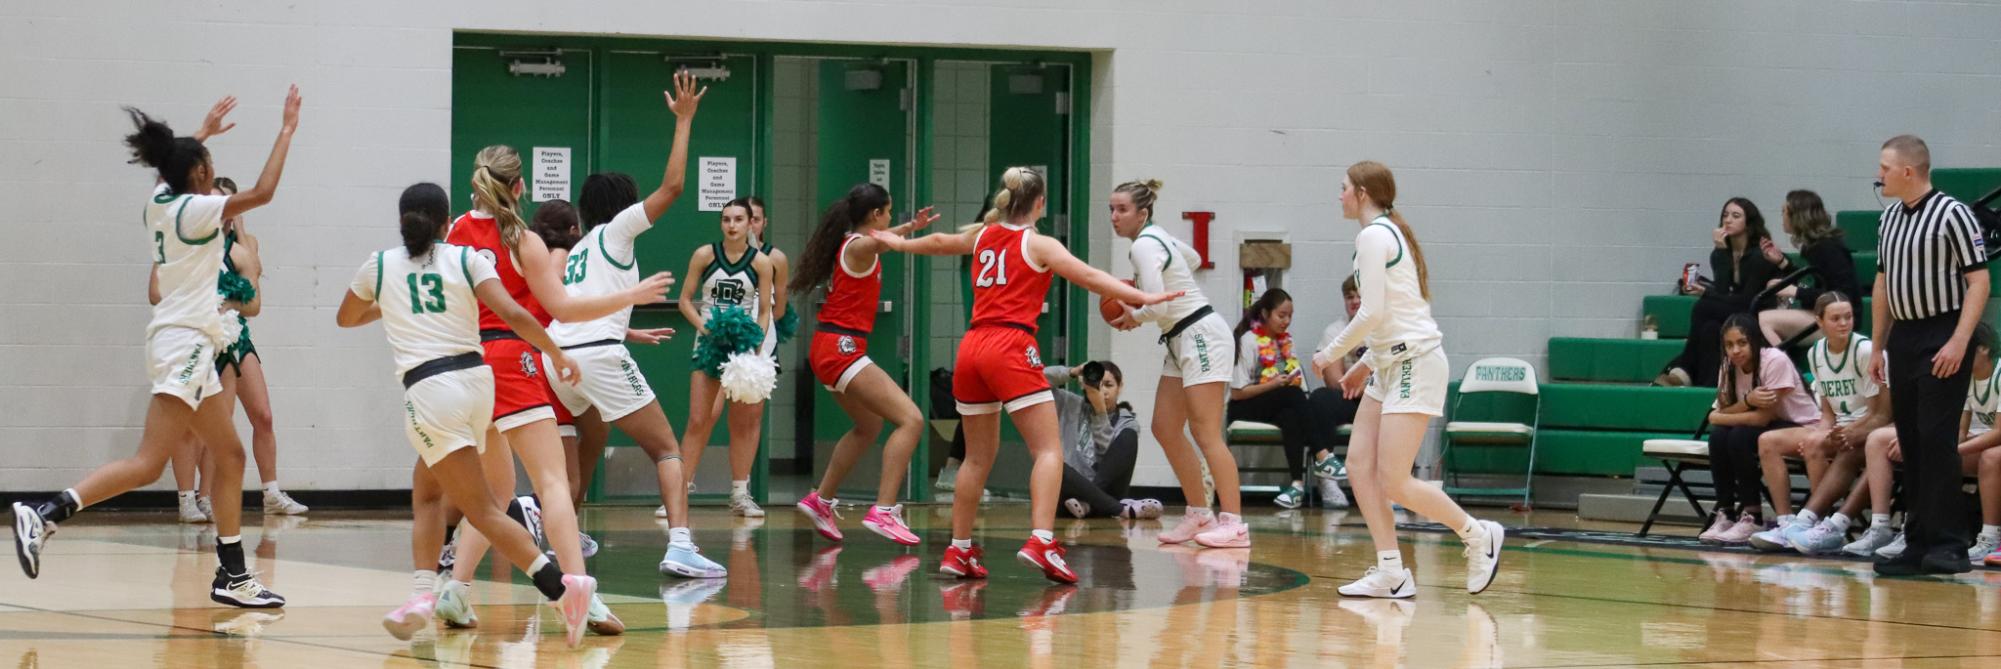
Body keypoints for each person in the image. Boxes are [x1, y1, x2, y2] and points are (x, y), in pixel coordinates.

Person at [11, 90, 298, 608]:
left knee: (230, 456)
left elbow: (172, 169)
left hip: (189, 340)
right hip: (186, 342)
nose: (212, 168)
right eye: (208, 162)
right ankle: (45, 513)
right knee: (148, 463)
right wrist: (286, 131)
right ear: (200, 174)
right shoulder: (194, 210)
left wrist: (203, 134)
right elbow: (264, 191)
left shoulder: (160, 201)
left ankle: (232, 575)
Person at [870, 166, 1178, 584]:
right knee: (1048, 450)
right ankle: (1041, 541)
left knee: (975, 458)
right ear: (1040, 203)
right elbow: (1090, 277)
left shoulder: (982, 235)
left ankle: (958, 550)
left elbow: (941, 242)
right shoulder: (1039, 243)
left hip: (973, 347)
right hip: (1011, 346)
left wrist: (895, 241)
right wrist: (1145, 295)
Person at [338, 182, 599, 645]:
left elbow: (347, 319)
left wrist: (393, 304)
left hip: (431, 390)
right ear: (446, 223)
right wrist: (555, 352)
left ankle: (560, 590)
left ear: (402, 221)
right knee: (438, 489)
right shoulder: (466, 259)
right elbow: (515, 314)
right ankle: (431, 593)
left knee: (469, 507)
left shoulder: (380, 266)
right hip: (478, 386)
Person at [434, 142, 670, 632]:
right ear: (519, 186)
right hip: (510, 358)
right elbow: (562, 310)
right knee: (552, 482)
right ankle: (579, 594)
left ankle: (455, 590)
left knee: (495, 494)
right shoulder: (522, 239)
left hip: (463, 366)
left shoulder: (454, 231)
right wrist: (632, 295)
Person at [542, 71, 729, 578]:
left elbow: (576, 304)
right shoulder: (619, 230)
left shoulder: (579, 247)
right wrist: (684, 121)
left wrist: (628, 330)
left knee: (570, 469)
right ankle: (682, 544)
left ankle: (562, 543)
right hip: (595, 355)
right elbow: (674, 186)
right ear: (624, 203)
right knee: (666, 448)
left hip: (557, 357)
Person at [1310, 160, 1504, 599]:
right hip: (1390, 363)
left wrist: (1332, 354)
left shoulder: (1374, 234)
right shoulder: (1382, 234)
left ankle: (1478, 534)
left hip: (1415, 361)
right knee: (1359, 465)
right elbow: (1392, 313)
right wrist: (1366, 364)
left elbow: (1373, 312)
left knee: (1395, 480)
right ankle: (1392, 571)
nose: (1337, 194)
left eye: (1342, 187)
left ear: (1361, 192)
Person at [1103, 178, 1251, 547]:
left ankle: (1234, 524)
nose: (1114, 216)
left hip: (1199, 333)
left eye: (1122, 209)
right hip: (1179, 336)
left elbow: (1161, 305)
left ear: (1142, 212)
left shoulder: (1144, 247)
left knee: (1205, 432)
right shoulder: (1158, 238)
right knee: (1165, 427)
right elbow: (1195, 260)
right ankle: (1199, 515)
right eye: (1111, 209)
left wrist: (1132, 316)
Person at [1868, 134, 1991, 576]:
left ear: (1907, 171)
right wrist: (1877, 345)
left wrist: (1959, 341)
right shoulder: (1888, 221)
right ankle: (1917, 541)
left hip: (1944, 330)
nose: (1878, 175)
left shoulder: (1953, 214)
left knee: (1937, 440)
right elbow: (1882, 285)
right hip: (1904, 335)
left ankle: (1950, 544)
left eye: (1884, 167)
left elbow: (1979, 282)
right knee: (1911, 439)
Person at [790, 183, 938, 545]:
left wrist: (906, 228)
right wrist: (911, 236)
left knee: (868, 426)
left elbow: (881, 239)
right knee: (911, 419)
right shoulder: (859, 246)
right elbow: (880, 241)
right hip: (841, 347)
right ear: (876, 215)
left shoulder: (852, 243)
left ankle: (820, 500)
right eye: (888, 212)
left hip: (828, 347)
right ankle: (884, 510)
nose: (890, 218)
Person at [161, 176, 307, 521]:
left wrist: (239, 228)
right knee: (195, 427)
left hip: (234, 336)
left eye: (228, 205)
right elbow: (159, 289)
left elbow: (254, 292)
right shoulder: (185, 245)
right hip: (195, 338)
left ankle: (258, 493)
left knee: (258, 415)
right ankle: (189, 498)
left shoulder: (241, 246)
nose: (222, 211)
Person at [1747, 292, 1875, 549]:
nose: (1843, 323)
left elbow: (1879, 413)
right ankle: (1787, 523)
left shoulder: (1864, 350)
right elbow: (1828, 412)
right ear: (1819, 322)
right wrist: (1823, 431)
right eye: (1836, 318)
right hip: (1839, 427)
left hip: (1867, 429)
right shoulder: (1816, 353)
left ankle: (1817, 524)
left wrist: (1828, 435)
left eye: (1848, 317)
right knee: (1768, 441)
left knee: (1815, 444)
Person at [678, 197, 777, 516]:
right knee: (698, 418)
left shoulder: (761, 263)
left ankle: (739, 494)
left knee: (744, 423)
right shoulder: (704, 255)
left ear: (751, 223)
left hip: (742, 349)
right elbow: (684, 301)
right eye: (726, 219)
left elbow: (764, 311)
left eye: (738, 219)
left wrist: (755, 343)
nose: (731, 225)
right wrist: (705, 330)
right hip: (708, 344)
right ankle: (679, 490)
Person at [1697, 314, 1821, 546]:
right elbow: (1725, 411)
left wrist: (1719, 415)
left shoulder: (1774, 360)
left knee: (1738, 436)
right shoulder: (1728, 365)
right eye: (1729, 345)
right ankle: (1726, 513)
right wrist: (1746, 401)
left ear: (1755, 340)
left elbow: (1762, 418)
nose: (1735, 350)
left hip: (1801, 425)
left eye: (1742, 343)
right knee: (1717, 438)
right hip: (1768, 426)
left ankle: (1753, 516)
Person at [1228, 288, 1349, 510]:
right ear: (1265, 313)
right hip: (1244, 405)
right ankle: (1323, 455)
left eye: (1290, 316)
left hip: (1276, 403)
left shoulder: (1286, 341)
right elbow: (1237, 392)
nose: (1286, 321)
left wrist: (1284, 383)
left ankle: (1297, 486)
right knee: (1292, 394)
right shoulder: (1249, 340)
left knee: (1291, 414)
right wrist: (1274, 384)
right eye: (1281, 315)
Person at [1657, 198, 1784, 387]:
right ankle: (1708, 386)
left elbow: (1747, 301)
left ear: (1748, 222)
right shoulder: (1720, 254)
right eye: (1725, 215)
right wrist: (1721, 252)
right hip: (1731, 312)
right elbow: (1724, 292)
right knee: (1710, 330)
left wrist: (1707, 294)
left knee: (1703, 307)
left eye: (1735, 216)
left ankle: (1684, 369)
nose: (1728, 220)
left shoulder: (1760, 256)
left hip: (1757, 315)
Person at [1049, 361, 1162, 520]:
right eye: (1098, 385)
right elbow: (1034, 381)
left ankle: (1090, 504)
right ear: (1085, 385)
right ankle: (1121, 509)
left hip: (1106, 491)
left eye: (1109, 385)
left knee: (1129, 438)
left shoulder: (1126, 421)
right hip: (1070, 496)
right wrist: (1072, 372)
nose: (1103, 391)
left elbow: (1106, 460)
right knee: (1053, 465)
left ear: (1120, 387)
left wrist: (1100, 412)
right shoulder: (1070, 403)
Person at [1757, 190, 1860, 346]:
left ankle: (1784, 368)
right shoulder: (1815, 246)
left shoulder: (1828, 248)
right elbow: (1812, 281)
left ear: (1797, 216)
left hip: (1839, 320)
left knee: (1764, 319)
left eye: (1784, 212)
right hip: (1823, 315)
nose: (1782, 217)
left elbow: (1842, 293)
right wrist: (1782, 262)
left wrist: (1795, 291)